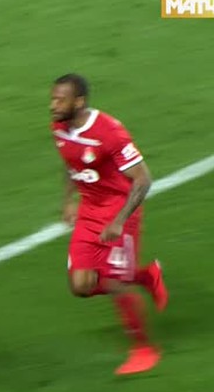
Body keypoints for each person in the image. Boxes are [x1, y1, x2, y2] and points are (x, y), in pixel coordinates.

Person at [49, 73, 169, 375]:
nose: (53, 105)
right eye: (52, 99)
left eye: (60, 100)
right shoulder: (59, 127)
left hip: (119, 211)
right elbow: (70, 162)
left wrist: (119, 221)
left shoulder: (109, 132)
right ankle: (146, 276)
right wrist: (69, 200)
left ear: (79, 102)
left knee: (115, 282)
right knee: (81, 286)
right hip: (89, 211)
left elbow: (143, 179)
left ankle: (144, 349)